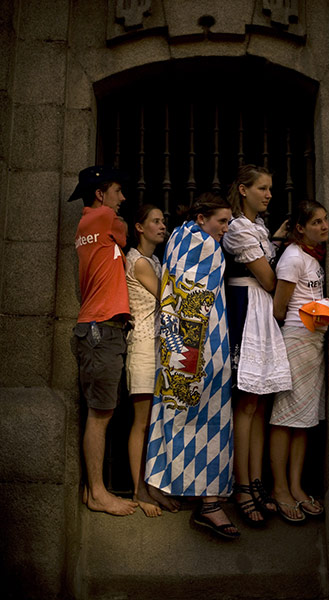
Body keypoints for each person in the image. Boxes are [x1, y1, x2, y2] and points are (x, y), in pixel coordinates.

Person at [145, 192, 240, 539]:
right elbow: (193, 298)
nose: (226, 229)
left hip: (180, 344)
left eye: (229, 222)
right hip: (194, 346)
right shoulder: (200, 244)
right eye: (222, 221)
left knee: (174, 409)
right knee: (205, 416)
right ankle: (208, 503)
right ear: (201, 218)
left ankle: (163, 482)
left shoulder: (179, 238)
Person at [222, 164, 292, 527]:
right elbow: (266, 278)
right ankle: (241, 484)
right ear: (244, 189)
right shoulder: (237, 229)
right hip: (248, 308)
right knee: (246, 401)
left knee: (260, 401)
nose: (268, 194)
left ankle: (257, 480)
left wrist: (276, 242)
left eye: (270, 188)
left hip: (262, 311)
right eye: (262, 188)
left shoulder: (259, 229)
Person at [69, 165, 137, 516]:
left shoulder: (86, 224)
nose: (122, 198)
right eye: (117, 190)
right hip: (101, 329)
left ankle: (92, 489)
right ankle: (97, 492)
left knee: (101, 412)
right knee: (100, 415)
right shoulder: (105, 219)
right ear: (101, 194)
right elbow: (125, 235)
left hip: (96, 328)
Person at [269, 199, 329, 522]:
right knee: (285, 417)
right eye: (316, 222)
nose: (324, 226)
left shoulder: (314, 257)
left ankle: (296, 486)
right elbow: (280, 308)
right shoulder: (293, 258)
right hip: (296, 339)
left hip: (314, 342)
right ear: (300, 228)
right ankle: (279, 487)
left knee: (304, 419)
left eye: (325, 220)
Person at [125, 204, 180, 517]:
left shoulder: (156, 260)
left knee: (156, 422)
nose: (162, 226)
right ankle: (139, 489)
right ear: (140, 227)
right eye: (156, 221)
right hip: (144, 348)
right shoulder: (140, 262)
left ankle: (154, 485)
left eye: (163, 221)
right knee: (142, 423)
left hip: (159, 349)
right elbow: (168, 298)